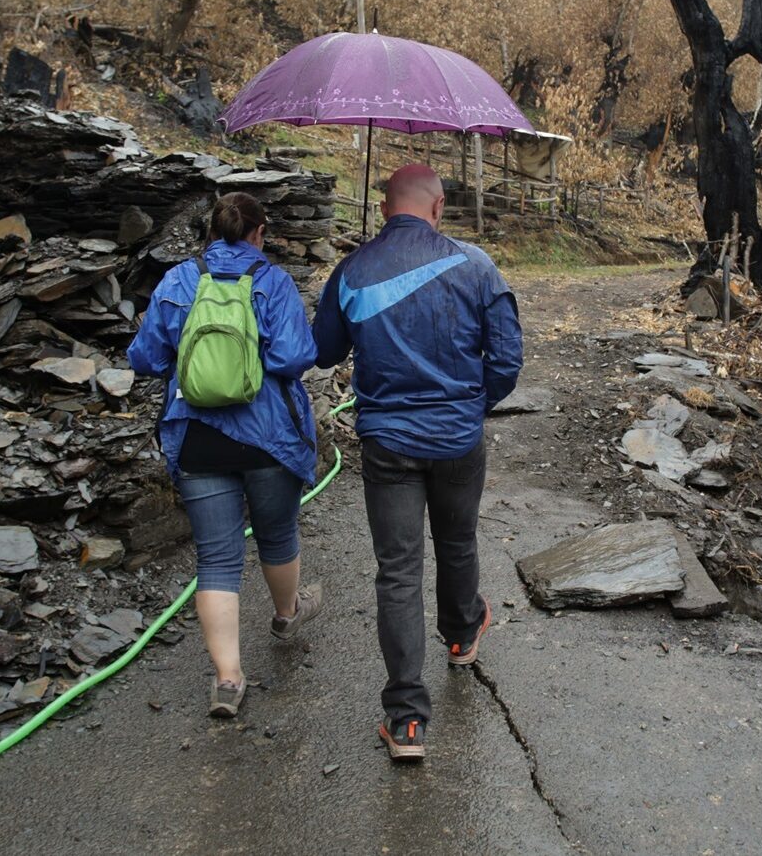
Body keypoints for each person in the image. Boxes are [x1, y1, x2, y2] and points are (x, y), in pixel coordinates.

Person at [312, 163, 523, 762]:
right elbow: (507, 358)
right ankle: (461, 637)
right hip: (458, 441)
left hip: (388, 445)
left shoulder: (351, 272)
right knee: (457, 543)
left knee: (398, 572)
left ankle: (406, 721)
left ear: (382, 210)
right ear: (438, 209)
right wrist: (470, 405)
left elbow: (325, 351)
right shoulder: (477, 266)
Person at [127, 192, 325, 718]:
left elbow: (145, 358)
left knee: (216, 558)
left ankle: (229, 681)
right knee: (277, 534)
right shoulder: (275, 282)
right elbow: (295, 356)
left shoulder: (177, 281)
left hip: (197, 435)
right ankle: (286, 613)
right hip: (270, 438)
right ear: (260, 232)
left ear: (209, 232)